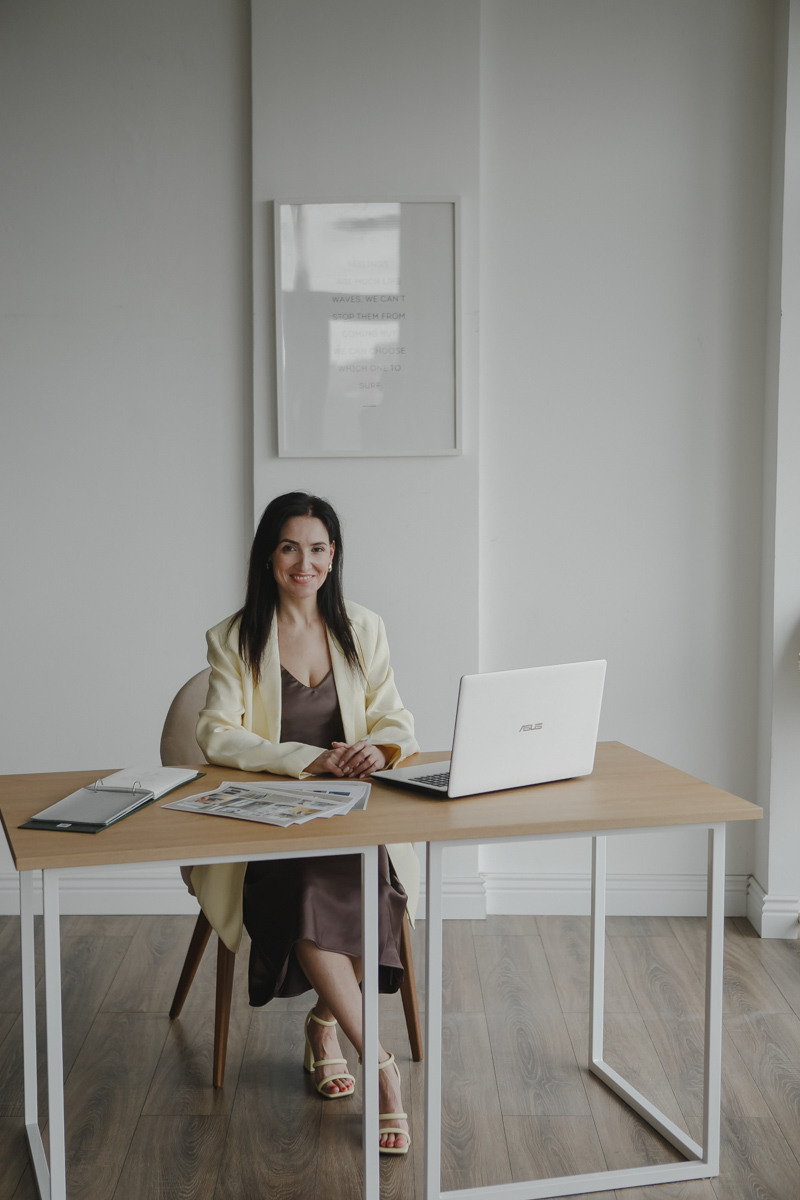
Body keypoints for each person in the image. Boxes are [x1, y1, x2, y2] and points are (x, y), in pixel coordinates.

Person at [192, 491, 418, 1155]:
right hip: (270, 826)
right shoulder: (235, 637)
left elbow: (395, 717)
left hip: (353, 814)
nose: (305, 562)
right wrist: (309, 760)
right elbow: (215, 734)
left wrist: (380, 747)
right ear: (269, 555)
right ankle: (380, 1066)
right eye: (290, 547)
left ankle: (325, 1025)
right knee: (307, 895)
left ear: (333, 555)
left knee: (363, 878)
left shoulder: (363, 627)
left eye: (318, 548)